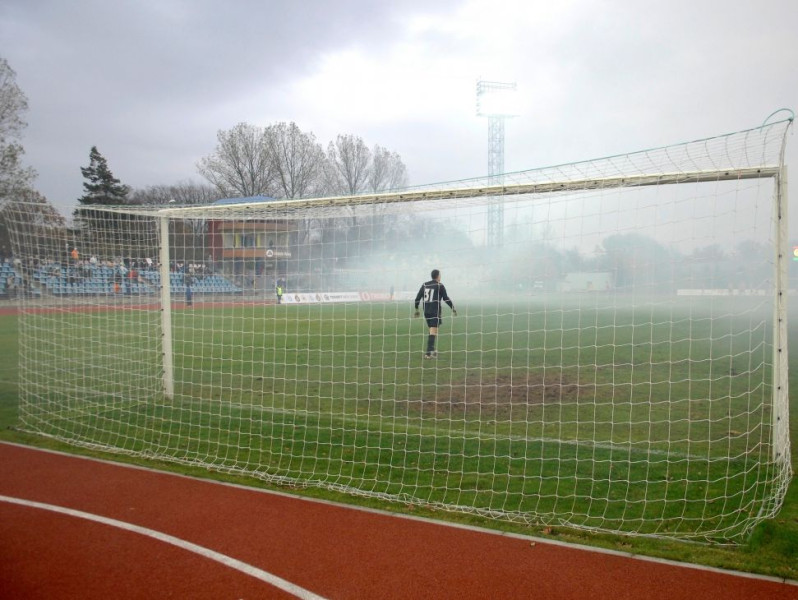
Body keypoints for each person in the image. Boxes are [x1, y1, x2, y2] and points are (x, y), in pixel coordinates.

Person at [414, 269, 456, 359]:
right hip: (434, 311)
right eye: (440, 275)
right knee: (433, 330)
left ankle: (432, 350)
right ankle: (428, 353)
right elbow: (446, 298)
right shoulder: (439, 285)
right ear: (438, 276)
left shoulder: (425, 285)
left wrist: (417, 309)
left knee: (433, 330)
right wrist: (453, 308)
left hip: (426, 311)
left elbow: (417, 298)